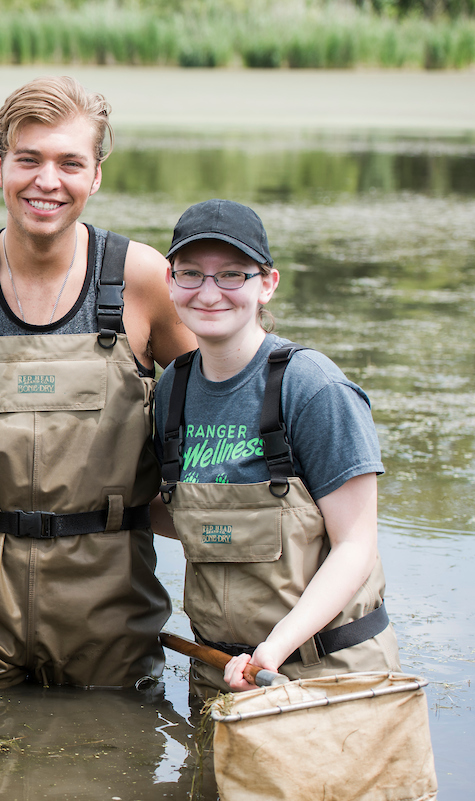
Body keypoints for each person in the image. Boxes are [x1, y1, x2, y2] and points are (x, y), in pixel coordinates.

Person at [0, 76, 196, 689]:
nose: (47, 181)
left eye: (70, 163)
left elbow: (222, 417)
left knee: (115, 766)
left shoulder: (147, 284)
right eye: (29, 159)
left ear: (97, 176)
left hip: (109, 603)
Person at [152, 198, 401, 698]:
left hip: (322, 670)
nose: (209, 292)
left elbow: (356, 546)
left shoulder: (314, 389)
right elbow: (185, 517)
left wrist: (274, 649)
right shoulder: (171, 390)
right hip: (220, 669)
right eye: (192, 273)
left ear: (267, 284)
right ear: (170, 283)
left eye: (232, 275)